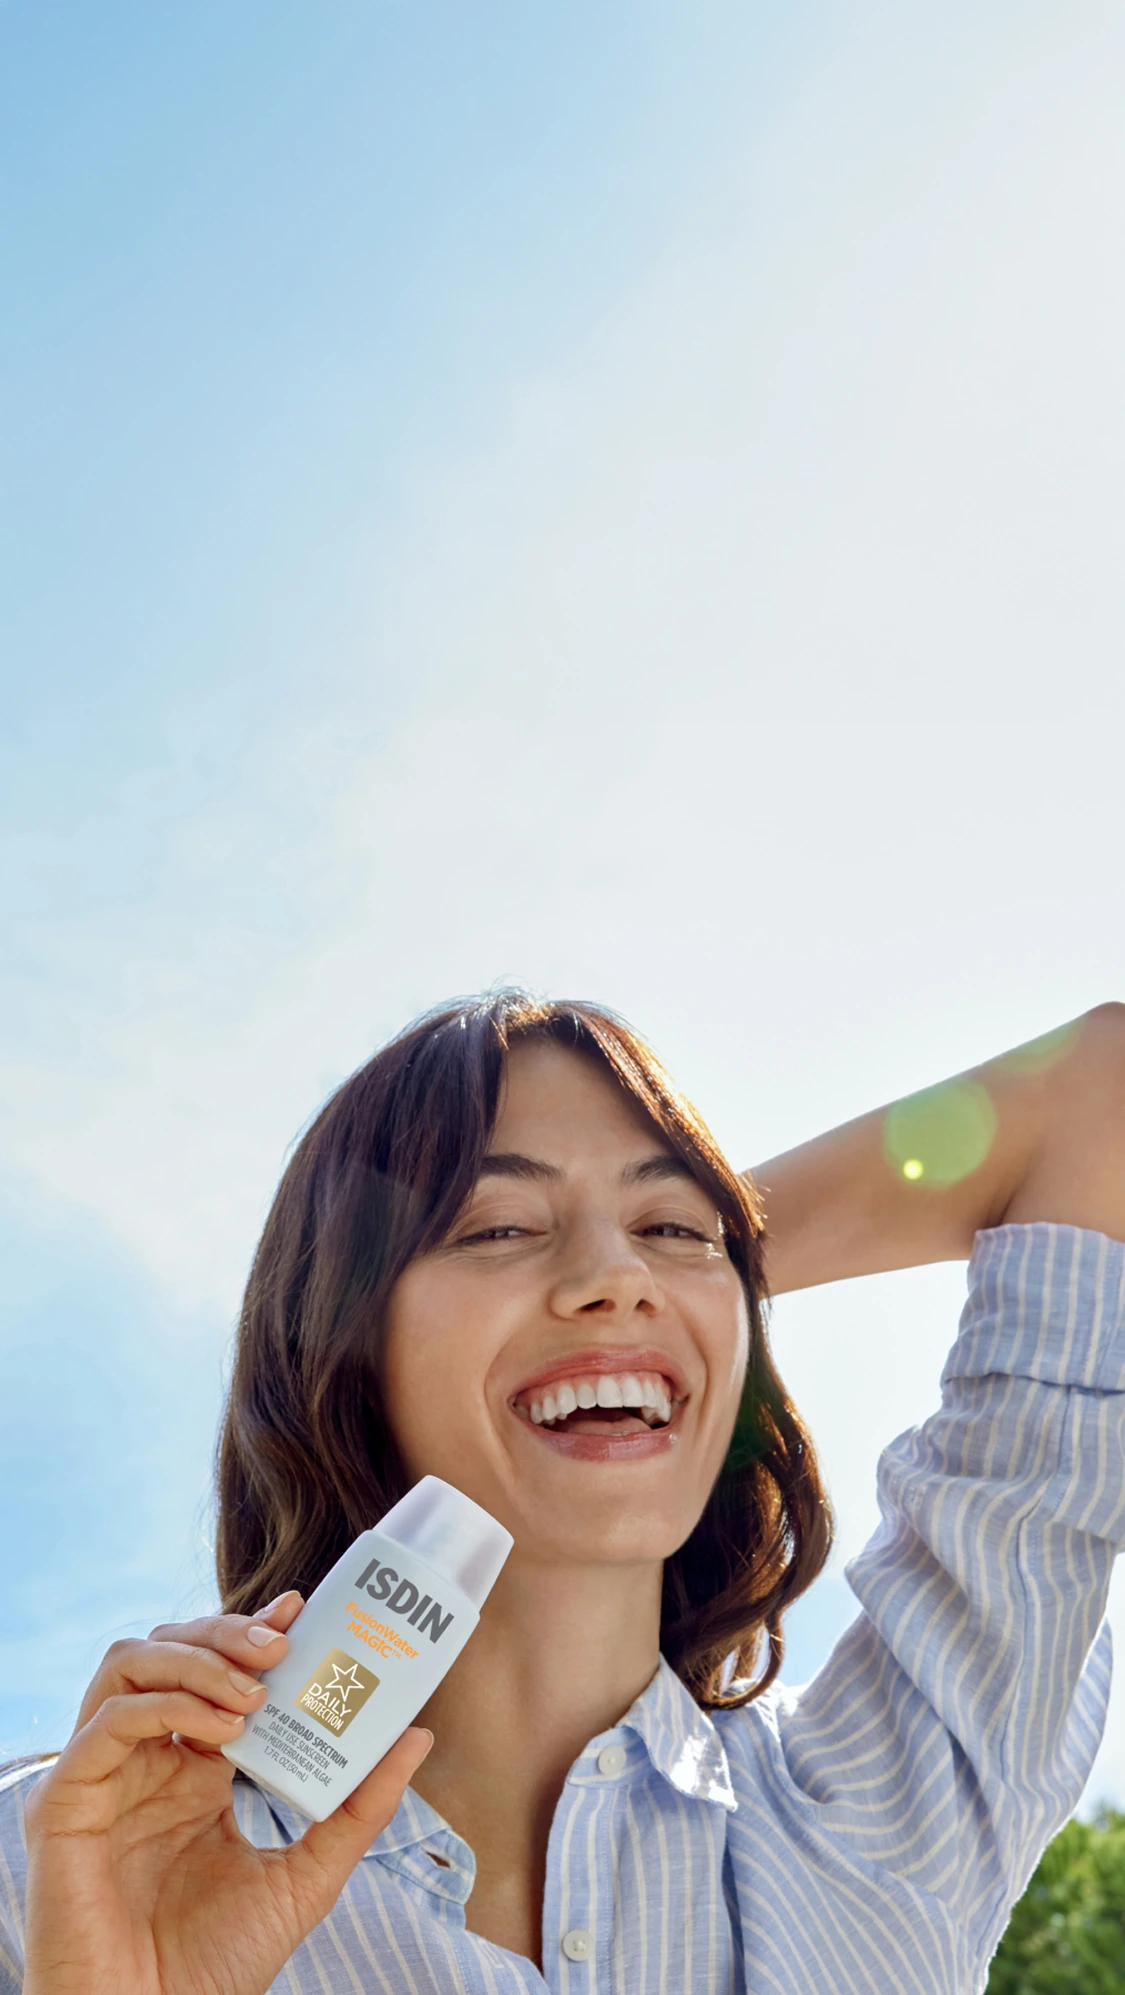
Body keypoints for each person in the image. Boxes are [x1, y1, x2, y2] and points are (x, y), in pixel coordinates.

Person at [3, 991, 1124, 1995]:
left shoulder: (888, 1816)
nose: (619, 1276)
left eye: (672, 1226)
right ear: (339, 1343)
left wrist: (693, 1283)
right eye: (494, 1227)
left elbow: (1096, 1092)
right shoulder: (68, 1862)